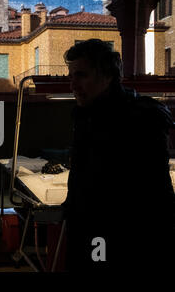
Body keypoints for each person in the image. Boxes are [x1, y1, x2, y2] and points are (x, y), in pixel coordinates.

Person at [62, 39, 175, 272]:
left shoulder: (142, 119)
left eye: (81, 75)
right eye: (70, 76)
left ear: (107, 75)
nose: (72, 85)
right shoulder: (86, 115)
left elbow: (155, 196)